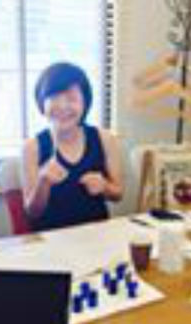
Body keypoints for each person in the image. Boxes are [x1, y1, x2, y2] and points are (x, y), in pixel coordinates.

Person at [22, 62, 123, 231]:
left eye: (71, 98)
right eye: (54, 97)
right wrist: (43, 182)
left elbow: (118, 194)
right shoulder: (32, 147)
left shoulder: (105, 138)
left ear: (85, 103)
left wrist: (104, 187)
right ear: (41, 103)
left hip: (96, 234)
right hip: (51, 238)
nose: (63, 106)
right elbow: (32, 212)